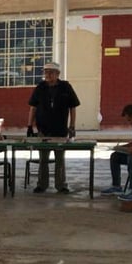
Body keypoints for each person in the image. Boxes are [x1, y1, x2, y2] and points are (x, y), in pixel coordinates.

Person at [27, 61, 80, 194]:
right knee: (43, 159)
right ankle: (42, 185)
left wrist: (72, 126)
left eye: (50, 72)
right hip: (43, 130)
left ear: (58, 74)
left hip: (60, 130)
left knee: (59, 159)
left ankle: (61, 185)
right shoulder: (40, 87)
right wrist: (29, 125)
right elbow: (33, 107)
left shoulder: (65, 87)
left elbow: (72, 107)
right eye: (45, 72)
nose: (47, 75)